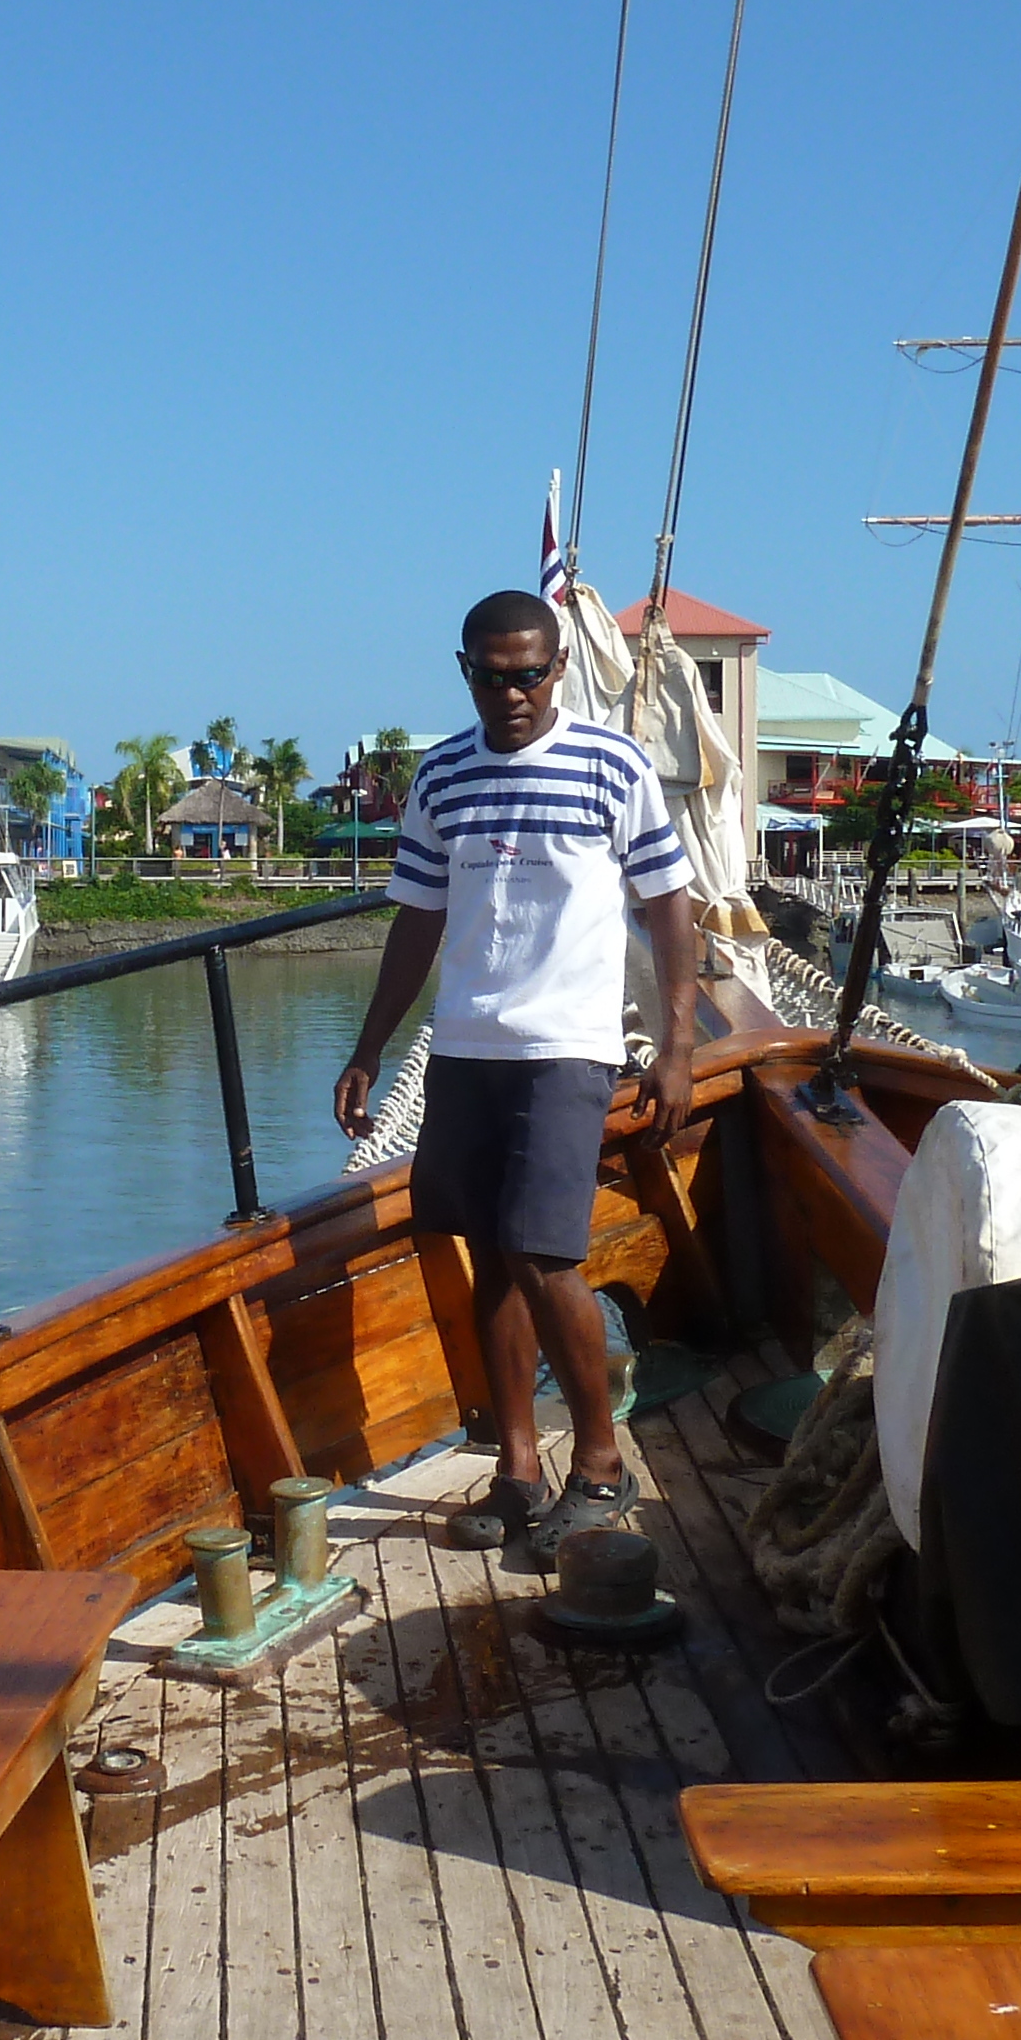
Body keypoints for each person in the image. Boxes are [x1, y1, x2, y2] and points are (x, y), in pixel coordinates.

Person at [334, 587, 699, 1567]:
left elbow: (669, 908)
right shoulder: (442, 775)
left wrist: (677, 1047)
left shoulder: (611, 765)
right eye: (493, 676)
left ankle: (600, 1466)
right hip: (465, 1048)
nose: (514, 693)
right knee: (488, 1257)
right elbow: (416, 919)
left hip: (566, 1050)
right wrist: (370, 1046)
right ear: (467, 673)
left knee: (545, 1256)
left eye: (530, 673)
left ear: (558, 669)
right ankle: (517, 1470)